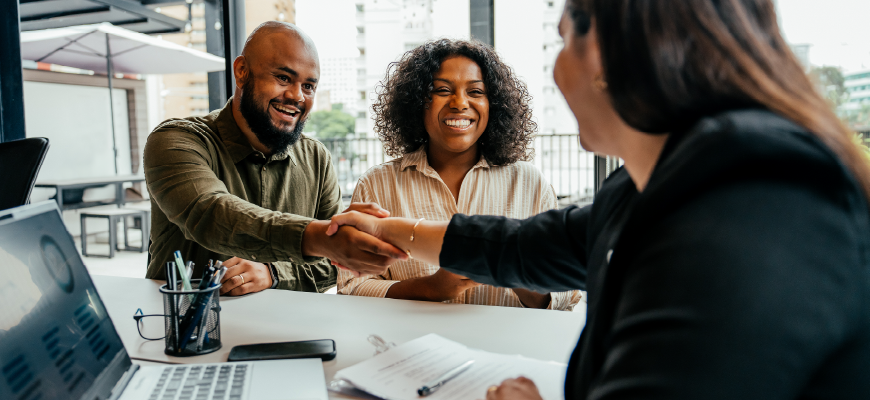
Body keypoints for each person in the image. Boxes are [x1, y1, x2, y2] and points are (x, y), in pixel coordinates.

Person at [327, 0, 870, 398]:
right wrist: (388, 230)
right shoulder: (644, 184)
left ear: (614, 55)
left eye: (564, 39)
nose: (558, 70)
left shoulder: (752, 201)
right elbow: (527, 245)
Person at [144, 21, 407, 296]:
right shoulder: (176, 140)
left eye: (308, 86)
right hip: (191, 327)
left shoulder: (316, 157)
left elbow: (336, 265)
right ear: (242, 71)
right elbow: (211, 214)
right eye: (283, 78)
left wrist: (274, 273)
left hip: (289, 331)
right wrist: (320, 239)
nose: (296, 96)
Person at [337, 39, 581, 310]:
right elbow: (352, 287)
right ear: (417, 101)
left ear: (494, 105)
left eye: (476, 91)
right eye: (442, 90)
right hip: (409, 347)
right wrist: (430, 289)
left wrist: (508, 264)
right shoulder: (377, 184)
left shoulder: (529, 183)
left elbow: (566, 294)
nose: (459, 103)